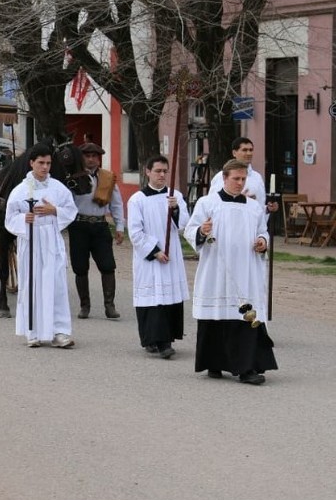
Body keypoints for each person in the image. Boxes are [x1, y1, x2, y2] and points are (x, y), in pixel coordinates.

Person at [184, 159, 278, 385]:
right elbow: (190, 230)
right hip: (217, 269)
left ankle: (246, 368)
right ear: (224, 178)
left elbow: (263, 231)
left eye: (243, 179)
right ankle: (214, 362)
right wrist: (202, 231)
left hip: (246, 270)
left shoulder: (254, 207)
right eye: (236, 178)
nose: (240, 183)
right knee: (216, 315)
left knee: (243, 317)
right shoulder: (208, 203)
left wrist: (262, 242)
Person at [4, 142, 78, 348]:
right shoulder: (20, 190)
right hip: (32, 241)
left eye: (48, 163)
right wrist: (23, 219)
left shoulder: (58, 188)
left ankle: (60, 331)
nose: (45, 167)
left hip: (51, 240)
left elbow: (70, 210)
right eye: (41, 163)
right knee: (32, 283)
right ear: (31, 164)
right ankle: (32, 330)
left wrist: (55, 211)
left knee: (56, 285)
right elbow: (10, 218)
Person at [127, 155, 189, 359]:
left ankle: (167, 339)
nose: (162, 175)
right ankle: (153, 341)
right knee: (153, 300)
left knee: (168, 299)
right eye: (158, 171)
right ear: (147, 172)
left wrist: (176, 209)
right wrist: (155, 251)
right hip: (151, 258)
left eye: (165, 171)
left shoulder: (175, 196)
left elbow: (184, 226)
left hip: (171, 257)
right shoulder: (137, 200)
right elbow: (135, 232)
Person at [67, 142, 125, 319]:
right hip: (79, 225)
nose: (91, 159)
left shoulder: (107, 177)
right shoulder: (74, 177)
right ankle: (85, 306)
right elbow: (66, 202)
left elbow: (116, 203)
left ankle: (110, 306)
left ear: (99, 158)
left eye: (94, 156)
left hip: (100, 225)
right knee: (80, 267)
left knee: (107, 266)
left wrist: (120, 227)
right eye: (87, 156)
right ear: (82, 158)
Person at [208, 137, 278, 213]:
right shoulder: (222, 176)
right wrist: (240, 200)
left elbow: (259, 207)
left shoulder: (257, 177)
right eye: (244, 150)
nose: (249, 153)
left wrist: (267, 209)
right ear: (234, 153)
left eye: (251, 150)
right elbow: (213, 203)